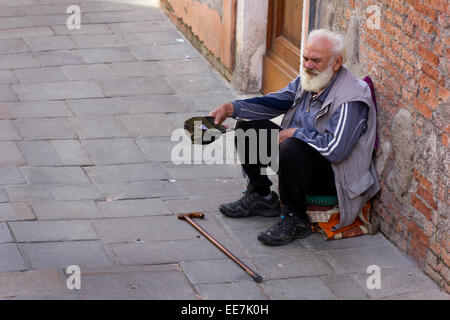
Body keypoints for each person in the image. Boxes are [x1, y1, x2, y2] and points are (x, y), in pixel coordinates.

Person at [209, 29, 380, 246]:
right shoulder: (309, 80)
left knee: (291, 145)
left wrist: (296, 133)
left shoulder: (351, 98)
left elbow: (336, 150)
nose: (308, 65)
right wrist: (233, 108)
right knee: (248, 126)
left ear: (337, 63)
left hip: (336, 177)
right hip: (299, 160)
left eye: (316, 61)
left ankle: (295, 218)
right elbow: (277, 101)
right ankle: (261, 196)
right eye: (306, 59)